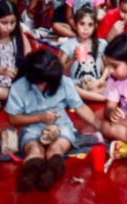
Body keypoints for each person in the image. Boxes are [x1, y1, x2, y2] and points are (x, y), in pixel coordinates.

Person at [7, 49, 101, 192]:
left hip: (61, 126)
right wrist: (39, 118)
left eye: (47, 83)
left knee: (56, 149)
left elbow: (80, 107)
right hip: (31, 128)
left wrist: (100, 125)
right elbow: (13, 119)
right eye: (40, 83)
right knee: (34, 150)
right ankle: (28, 176)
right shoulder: (19, 87)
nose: (43, 87)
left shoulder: (64, 82)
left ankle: (51, 174)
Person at [58, 7, 109, 102]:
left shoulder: (101, 43)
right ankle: (103, 99)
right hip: (77, 84)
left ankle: (90, 96)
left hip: (95, 83)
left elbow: (109, 67)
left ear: (95, 27)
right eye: (82, 24)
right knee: (68, 86)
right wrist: (72, 59)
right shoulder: (68, 44)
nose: (86, 28)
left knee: (113, 84)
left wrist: (101, 80)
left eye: (90, 25)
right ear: (75, 24)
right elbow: (59, 72)